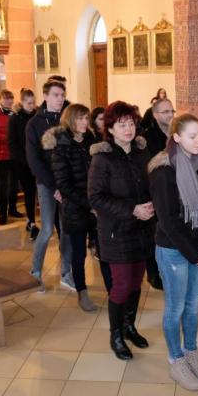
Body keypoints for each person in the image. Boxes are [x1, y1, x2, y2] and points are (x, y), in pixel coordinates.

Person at [148, 114, 198, 391]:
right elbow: (168, 220)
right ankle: (176, 359)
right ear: (176, 137)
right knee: (176, 307)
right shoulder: (163, 170)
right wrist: (195, 254)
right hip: (173, 251)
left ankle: (191, 353)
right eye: (192, 136)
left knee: (192, 306)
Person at [87, 101, 155, 361]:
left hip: (142, 229)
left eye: (131, 123)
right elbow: (95, 198)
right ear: (110, 129)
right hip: (116, 231)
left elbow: (151, 185)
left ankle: (129, 327)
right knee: (121, 285)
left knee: (136, 283)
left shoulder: (141, 153)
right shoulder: (102, 158)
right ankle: (116, 335)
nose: (128, 129)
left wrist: (151, 205)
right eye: (121, 124)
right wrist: (132, 209)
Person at [43, 104, 99, 312]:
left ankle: (113, 289)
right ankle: (82, 292)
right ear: (70, 120)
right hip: (76, 208)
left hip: (95, 206)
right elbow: (64, 185)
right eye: (80, 118)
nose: (85, 122)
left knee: (101, 248)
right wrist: (90, 204)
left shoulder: (92, 142)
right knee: (78, 253)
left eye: (87, 118)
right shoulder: (61, 146)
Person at [27, 79, 74, 291]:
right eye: (56, 95)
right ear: (45, 96)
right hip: (47, 183)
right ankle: (35, 272)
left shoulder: (68, 120)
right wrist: (54, 187)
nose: (60, 99)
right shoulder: (34, 124)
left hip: (67, 183)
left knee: (67, 229)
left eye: (62, 95)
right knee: (46, 229)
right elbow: (34, 160)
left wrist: (67, 184)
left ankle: (66, 273)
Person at [142, 97, 175, 290]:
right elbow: (147, 167)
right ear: (155, 114)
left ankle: (168, 267)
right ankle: (153, 272)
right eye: (165, 112)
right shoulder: (147, 137)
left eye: (172, 111)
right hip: (154, 189)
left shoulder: (176, 132)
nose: (170, 115)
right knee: (153, 233)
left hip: (172, 189)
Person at [8, 88, 40, 239]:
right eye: (28, 103)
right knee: (29, 192)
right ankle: (31, 221)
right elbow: (12, 143)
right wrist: (26, 160)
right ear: (22, 102)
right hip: (23, 162)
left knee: (41, 191)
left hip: (38, 161)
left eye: (33, 102)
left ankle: (44, 221)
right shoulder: (14, 118)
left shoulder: (38, 116)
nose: (32, 105)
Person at [0, 89, 21, 225]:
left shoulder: (14, 114)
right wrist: (9, 139)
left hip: (13, 154)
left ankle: (13, 209)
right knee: (3, 184)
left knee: (13, 184)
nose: (9, 101)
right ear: (0, 99)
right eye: (6, 98)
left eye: (11, 98)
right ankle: (2, 213)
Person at [88, 106, 113, 291]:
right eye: (100, 119)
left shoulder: (113, 142)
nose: (103, 122)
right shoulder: (94, 143)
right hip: (98, 198)